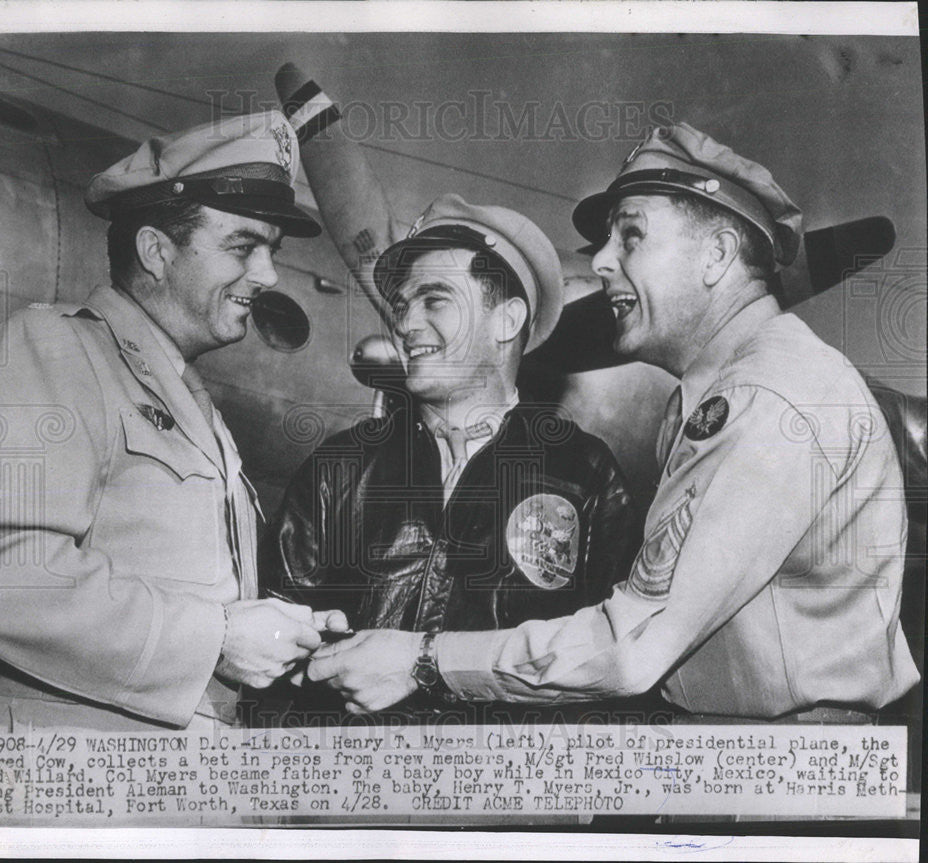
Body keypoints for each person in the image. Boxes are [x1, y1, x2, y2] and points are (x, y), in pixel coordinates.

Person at [309, 124, 919, 720]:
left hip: (782, 770)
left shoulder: (765, 398)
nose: (601, 262)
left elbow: (631, 645)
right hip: (737, 752)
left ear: (718, 254)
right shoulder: (706, 400)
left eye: (631, 236)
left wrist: (422, 659)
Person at [0, 111, 347, 732]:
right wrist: (217, 637)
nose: (269, 275)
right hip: (65, 782)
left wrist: (277, 633)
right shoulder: (54, 347)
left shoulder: (193, 405)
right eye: (242, 246)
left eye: (270, 252)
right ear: (157, 251)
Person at [260, 194, 640, 715]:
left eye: (435, 300)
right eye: (402, 305)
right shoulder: (340, 467)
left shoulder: (587, 475)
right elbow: (272, 662)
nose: (405, 324)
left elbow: (611, 667)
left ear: (507, 320)